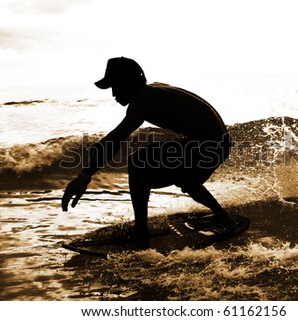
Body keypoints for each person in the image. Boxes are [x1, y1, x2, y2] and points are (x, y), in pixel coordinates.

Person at [61, 57, 235, 244]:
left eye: (115, 86)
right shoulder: (153, 91)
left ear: (129, 82)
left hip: (210, 146)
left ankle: (140, 231)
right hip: (216, 144)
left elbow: (117, 137)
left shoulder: (142, 101)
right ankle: (222, 216)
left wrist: (85, 175)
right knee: (185, 179)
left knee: (139, 163)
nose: (113, 94)